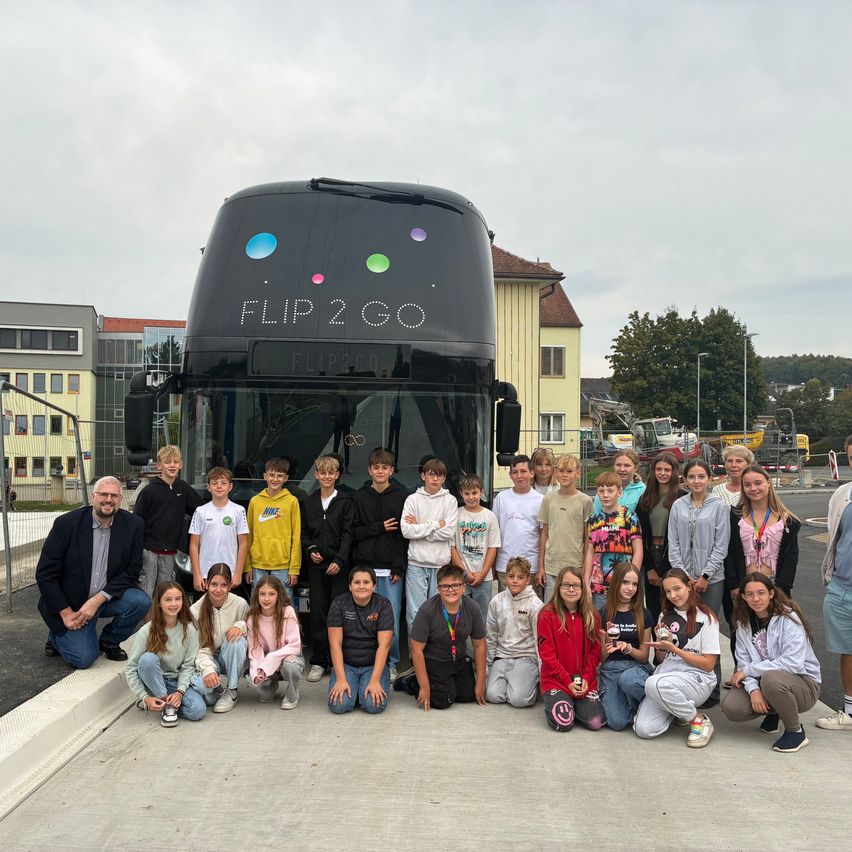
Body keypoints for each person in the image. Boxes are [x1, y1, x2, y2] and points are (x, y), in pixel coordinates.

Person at [37, 476, 150, 668]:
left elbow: (132, 570)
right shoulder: (66, 524)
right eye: (103, 494)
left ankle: (109, 641)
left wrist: (97, 600)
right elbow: (45, 574)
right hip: (71, 606)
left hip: (105, 599)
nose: (108, 499)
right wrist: (65, 614)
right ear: (93, 497)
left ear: (120, 499)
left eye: (114, 495)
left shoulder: (133, 525)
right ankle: (56, 637)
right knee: (83, 659)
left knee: (141, 601)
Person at [722, 573, 821, 753]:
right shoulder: (742, 623)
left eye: (761, 593)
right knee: (732, 708)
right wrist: (753, 690)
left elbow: (793, 663)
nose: (756, 599)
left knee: (770, 679)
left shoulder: (789, 618)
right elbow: (743, 664)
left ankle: (795, 732)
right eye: (750, 594)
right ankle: (775, 711)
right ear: (743, 596)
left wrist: (750, 672)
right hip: (767, 682)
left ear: (771, 593)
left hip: (803, 684)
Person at [633, 568, 720, 748]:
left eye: (677, 588)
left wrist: (676, 648)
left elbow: (708, 664)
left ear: (689, 587)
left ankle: (698, 719)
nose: (673, 595)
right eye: (667, 591)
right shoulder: (664, 615)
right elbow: (662, 658)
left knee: (652, 683)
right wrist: (663, 647)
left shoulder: (708, 619)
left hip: (696, 679)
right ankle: (677, 710)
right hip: (667, 675)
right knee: (644, 729)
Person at [667, 458, 730, 706]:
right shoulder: (678, 506)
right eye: (691, 477)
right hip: (684, 580)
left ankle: (711, 688)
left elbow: (721, 544)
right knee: (685, 630)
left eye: (701, 476)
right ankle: (685, 683)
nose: (696, 481)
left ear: (710, 479)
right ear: (685, 480)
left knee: (708, 630)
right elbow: (673, 543)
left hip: (712, 580)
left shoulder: (719, 506)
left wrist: (705, 575)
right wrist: (684, 577)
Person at [352, 448, 408, 683]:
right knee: (365, 620)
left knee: (391, 620)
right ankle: (367, 660)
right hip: (366, 569)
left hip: (391, 570)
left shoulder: (402, 495)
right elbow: (354, 532)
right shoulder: (359, 497)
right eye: (376, 467)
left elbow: (403, 535)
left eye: (385, 467)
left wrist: (398, 567)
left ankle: (391, 663)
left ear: (391, 471)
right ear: (369, 470)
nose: (380, 471)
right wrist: (379, 527)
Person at [301, 455, 355, 683]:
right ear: (316, 475)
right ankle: (319, 660)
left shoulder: (345, 501)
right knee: (319, 613)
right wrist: (310, 549)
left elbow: (348, 534)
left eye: (330, 473)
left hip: (339, 567)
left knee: (340, 613)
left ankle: (337, 660)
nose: (326, 477)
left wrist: (340, 560)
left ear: (337, 475)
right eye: (322, 473)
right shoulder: (309, 502)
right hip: (316, 566)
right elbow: (304, 532)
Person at [125, 581, 206, 727]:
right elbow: (131, 668)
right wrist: (143, 697)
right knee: (147, 659)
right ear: (159, 603)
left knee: (198, 711)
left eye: (178, 598)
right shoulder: (146, 631)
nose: (174, 604)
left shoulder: (190, 629)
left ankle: (160, 704)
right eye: (168, 599)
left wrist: (180, 692)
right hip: (155, 681)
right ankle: (163, 703)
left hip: (178, 681)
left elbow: (188, 665)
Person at [133, 445, 204, 606]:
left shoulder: (183, 488)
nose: (172, 465)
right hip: (149, 551)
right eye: (167, 462)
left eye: (176, 461)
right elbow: (137, 521)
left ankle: (162, 629)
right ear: (159, 466)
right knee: (146, 594)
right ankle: (149, 629)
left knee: (165, 594)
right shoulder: (149, 490)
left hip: (171, 552)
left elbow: (201, 511)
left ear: (181, 464)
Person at [408, 564, 487, 711]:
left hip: (459, 659)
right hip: (434, 660)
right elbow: (416, 649)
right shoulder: (427, 610)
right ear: (438, 589)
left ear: (464, 587)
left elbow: (480, 645)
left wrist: (481, 682)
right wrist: (424, 687)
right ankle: (413, 681)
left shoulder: (473, 608)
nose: (450, 590)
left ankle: (446, 683)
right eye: (445, 586)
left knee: (468, 695)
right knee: (442, 700)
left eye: (455, 585)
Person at [537, 566, 604, 732]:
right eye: (566, 585)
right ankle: (564, 701)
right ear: (558, 587)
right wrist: (566, 681)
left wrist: (588, 677)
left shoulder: (592, 614)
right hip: (557, 680)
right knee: (563, 723)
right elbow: (547, 655)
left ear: (583, 588)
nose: (571, 589)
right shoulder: (547, 614)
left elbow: (595, 651)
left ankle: (576, 704)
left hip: (584, 681)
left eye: (576, 585)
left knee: (596, 722)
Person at [401, 457, 459, 632]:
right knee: (415, 613)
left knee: (439, 612)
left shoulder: (450, 501)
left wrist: (420, 527)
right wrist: (434, 525)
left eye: (439, 476)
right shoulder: (412, 499)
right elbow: (406, 531)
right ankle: (415, 655)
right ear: (423, 476)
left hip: (440, 564)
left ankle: (434, 653)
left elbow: (448, 533)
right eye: (431, 475)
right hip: (417, 564)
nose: (435, 479)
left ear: (444, 479)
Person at [326, 566, 394, 714]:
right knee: (339, 705)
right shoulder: (339, 604)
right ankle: (353, 687)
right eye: (357, 582)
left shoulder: (383, 605)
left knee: (373, 706)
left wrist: (375, 681)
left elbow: (384, 645)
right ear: (350, 586)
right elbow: (335, 644)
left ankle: (364, 687)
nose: (361, 586)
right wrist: (341, 679)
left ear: (374, 586)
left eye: (366, 582)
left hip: (373, 665)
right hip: (347, 664)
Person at [726, 465, 800, 597]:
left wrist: (781, 588)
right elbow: (729, 552)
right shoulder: (734, 516)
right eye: (747, 485)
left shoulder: (787, 520)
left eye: (758, 483)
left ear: (769, 483)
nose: (753, 488)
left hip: (775, 587)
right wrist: (734, 585)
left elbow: (791, 557)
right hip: (744, 587)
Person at [597, 562, 654, 731]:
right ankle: (634, 707)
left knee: (628, 680)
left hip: (636, 668)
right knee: (617, 723)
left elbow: (644, 656)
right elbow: (600, 658)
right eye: (625, 583)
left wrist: (627, 647)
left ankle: (652, 706)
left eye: (635, 584)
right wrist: (605, 643)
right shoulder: (603, 613)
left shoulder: (643, 614)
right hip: (611, 669)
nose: (630, 588)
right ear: (616, 583)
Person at [815, 475, 852, 731]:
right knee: (847, 652)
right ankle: (850, 712)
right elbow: (834, 536)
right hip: (842, 586)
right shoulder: (842, 494)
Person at [186, 564, 249, 714]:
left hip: (232, 656)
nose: (218, 589)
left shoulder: (240, 603)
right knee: (202, 687)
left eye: (223, 585)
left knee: (237, 640)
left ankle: (231, 690)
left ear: (230, 586)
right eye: (214, 584)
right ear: (206, 584)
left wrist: (241, 625)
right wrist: (207, 670)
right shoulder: (195, 610)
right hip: (208, 657)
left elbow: (254, 625)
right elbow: (197, 648)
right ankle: (216, 689)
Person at [485, 556, 544, 708]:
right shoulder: (496, 601)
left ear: (527, 580)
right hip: (503, 656)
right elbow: (491, 635)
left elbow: (540, 640)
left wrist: (543, 671)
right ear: (505, 578)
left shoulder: (535, 605)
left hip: (526, 657)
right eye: (511, 576)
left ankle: (529, 682)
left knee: (518, 700)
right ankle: (513, 682)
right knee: (493, 695)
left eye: (520, 577)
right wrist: (489, 665)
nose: (515, 581)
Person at [538, 453, 593, 601]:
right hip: (552, 566)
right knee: (551, 608)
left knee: (574, 608)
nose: (565, 475)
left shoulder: (585, 501)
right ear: (555, 472)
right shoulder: (548, 499)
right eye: (561, 471)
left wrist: (586, 568)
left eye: (569, 471)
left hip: (576, 565)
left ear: (577, 474)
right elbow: (544, 533)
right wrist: (541, 567)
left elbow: (588, 538)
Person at [583, 471, 642, 610]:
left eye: (610, 490)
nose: (605, 495)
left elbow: (638, 551)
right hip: (598, 585)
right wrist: (586, 582)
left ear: (619, 492)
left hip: (622, 583)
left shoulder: (630, 517)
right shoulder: (593, 519)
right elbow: (589, 553)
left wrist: (632, 580)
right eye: (601, 490)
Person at [246, 574, 304, 709]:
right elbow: (255, 651)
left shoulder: (287, 612)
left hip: (286, 658)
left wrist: (272, 658)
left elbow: (294, 645)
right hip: (266, 661)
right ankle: (270, 685)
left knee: (291, 665)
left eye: (271, 594)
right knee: (264, 696)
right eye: (262, 594)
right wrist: (257, 673)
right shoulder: (252, 618)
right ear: (257, 596)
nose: (266, 598)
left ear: (278, 595)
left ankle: (292, 694)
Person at [635, 453, 682, 622]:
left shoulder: (682, 497)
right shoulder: (645, 499)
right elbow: (640, 535)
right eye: (659, 469)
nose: (663, 473)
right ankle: (658, 646)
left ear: (674, 471)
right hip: (651, 554)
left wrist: (667, 565)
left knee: (673, 603)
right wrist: (650, 568)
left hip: (673, 555)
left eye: (667, 470)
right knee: (655, 608)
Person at [188, 467, 249, 591]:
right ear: (208, 487)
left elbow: (243, 544)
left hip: (230, 574)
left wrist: (238, 573)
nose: (219, 486)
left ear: (230, 487)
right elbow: (194, 545)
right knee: (204, 610)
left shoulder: (238, 510)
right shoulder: (200, 511)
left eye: (223, 483)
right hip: (205, 574)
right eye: (214, 483)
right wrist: (197, 574)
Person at [245, 458, 301, 588]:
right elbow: (248, 535)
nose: (275, 479)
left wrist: (294, 568)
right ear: (265, 476)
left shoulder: (292, 502)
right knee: (258, 603)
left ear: (286, 478)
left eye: (280, 476)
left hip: (283, 565)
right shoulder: (255, 501)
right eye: (271, 475)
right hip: (257, 564)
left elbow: (296, 538)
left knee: (283, 604)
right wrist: (247, 566)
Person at [452, 473, 501, 623]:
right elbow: (452, 547)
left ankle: (480, 647)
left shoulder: (490, 516)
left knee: (481, 618)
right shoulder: (456, 515)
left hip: (483, 578)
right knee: (459, 618)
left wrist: (483, 574)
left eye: (474, 493)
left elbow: (493, 547)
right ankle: (462, 647)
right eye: (467, 493)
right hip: (461, 577)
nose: (471, 497)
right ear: (461, 494)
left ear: (481, 492)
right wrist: (465, 573)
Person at [493, 454, 543, 594]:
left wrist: (541, 566)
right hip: (505, 566)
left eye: (523, 471)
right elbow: (494, 533)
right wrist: (493, 564)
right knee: (506, 609)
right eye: (515, 472)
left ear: (531, 473)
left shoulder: (540, 500)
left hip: (531, 566)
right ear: (510, 475)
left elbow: (543, 534)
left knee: (530, 610)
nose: (519, 476)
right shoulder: (501, 498)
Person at [593, 449, 645, 514]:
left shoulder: (643, 491)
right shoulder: (604, 489)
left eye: (627, 465)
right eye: (618, 465)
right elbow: (595, 514)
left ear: (635, 468)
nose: (622, 469)